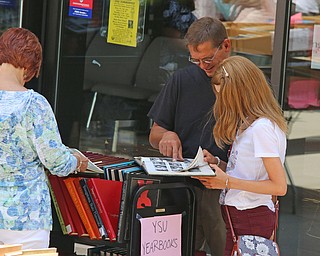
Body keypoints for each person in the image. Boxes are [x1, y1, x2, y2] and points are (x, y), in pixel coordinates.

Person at [148, 17, 232, 255]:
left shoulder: (244, 84)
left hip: (223, 186)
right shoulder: (182, 80)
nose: (203, 66)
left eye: (208, 58)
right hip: (181, 185)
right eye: (195, 60)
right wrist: (167, 135)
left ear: (226, 45)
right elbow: (155, 133)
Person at [0, 27, 88, 249]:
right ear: (29, 65)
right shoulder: (33, 104)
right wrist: (76, 160)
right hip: (24, 216)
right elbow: (56, 161)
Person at [193, 55, 288, 255]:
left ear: (241, 94)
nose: (222, 103)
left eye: (225, 97)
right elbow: (251, 171)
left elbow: (279, 186)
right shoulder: (253, 124)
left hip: (250, 218)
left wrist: (226, 182)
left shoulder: (262, 128)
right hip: (242, 218)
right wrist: (219, 163)